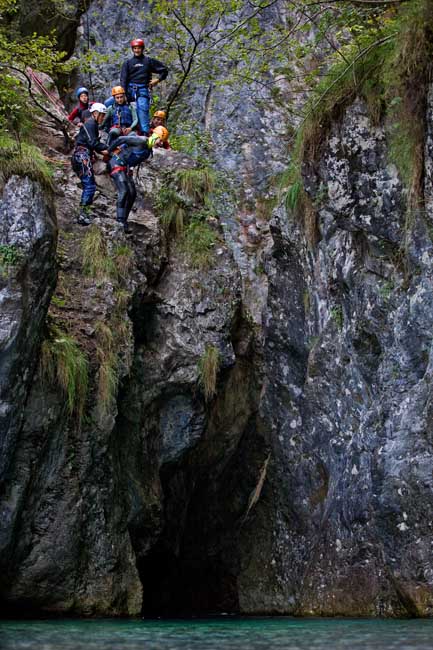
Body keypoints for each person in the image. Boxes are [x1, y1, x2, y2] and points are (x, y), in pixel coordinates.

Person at [107, 126, 169, 232]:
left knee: (132, 193)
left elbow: (133, 159)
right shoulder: (140, 140)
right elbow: (121, 139)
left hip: (125, 168)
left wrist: (130, 169)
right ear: (155, 137)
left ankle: (124, 221)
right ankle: (119, 221)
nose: (160, 144)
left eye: (162, 142)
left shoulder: (148, 151)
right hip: (116, 163)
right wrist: (109, 151)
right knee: (124, 190)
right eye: (160, 141)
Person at [120, 38, 168, 136]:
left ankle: (145, 134)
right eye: (135, 48)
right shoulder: (128, 63)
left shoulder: (148, 61)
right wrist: (123, 93)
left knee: (142, 111)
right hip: (129, 91)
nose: (137, 50)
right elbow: (123, 79)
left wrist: (157, 80)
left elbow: (164, 70)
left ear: (142, 49)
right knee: (122, 108)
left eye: (139, 48)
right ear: (132, 49)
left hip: (142, 90)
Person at [71, 103, 109, 225]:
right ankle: (83, 214)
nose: (103, 118)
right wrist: (109, 148)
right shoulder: (91, 124)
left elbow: (93, 144)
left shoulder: (92, 125)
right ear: (96, 113)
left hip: (81, 155)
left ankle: (84, 212)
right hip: (82, 156)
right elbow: (93, 143)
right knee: (90, 186)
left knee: (89, 185)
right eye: (102, 115)